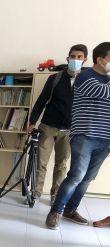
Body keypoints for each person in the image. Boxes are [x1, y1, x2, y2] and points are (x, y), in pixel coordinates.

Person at [46, 42, 110, 230]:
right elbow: (103, 92)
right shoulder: (84, 76)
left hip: (105, 139)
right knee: (75, 176)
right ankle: (55, 212)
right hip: (85, 135)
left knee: (87, 179)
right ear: (100, 59)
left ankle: (70, 210)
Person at [27, 44, 88, 205]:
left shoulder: (87, 81)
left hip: (70, 130)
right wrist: (32, 122)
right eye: (73, 56)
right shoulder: (55, 78)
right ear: (68, 58)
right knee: (41, 162)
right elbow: (41, 101)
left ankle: (56, 194)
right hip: (48, 126)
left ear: (85, 60)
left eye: (79, 57)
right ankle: (36, 192)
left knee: (61, 164)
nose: (76, 59)